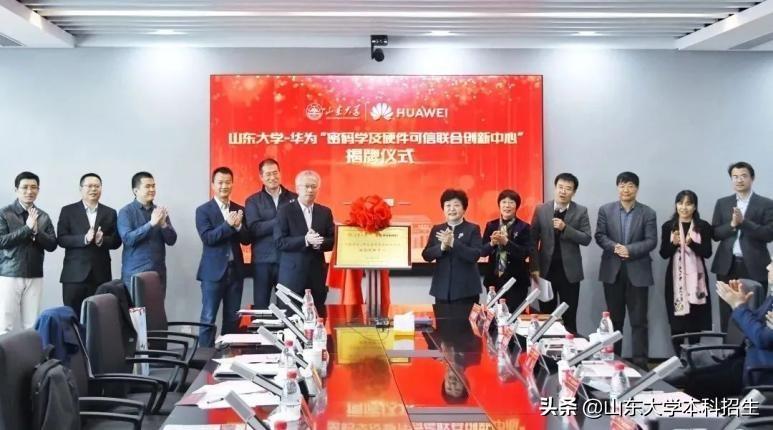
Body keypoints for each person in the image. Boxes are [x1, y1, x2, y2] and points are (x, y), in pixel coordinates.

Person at [595, 171, 657, 369]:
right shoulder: (606, 210)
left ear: (636, 189)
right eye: (622, 185)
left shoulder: (648, 213)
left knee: (639, 321)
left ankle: (641, 364)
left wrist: (629, 250)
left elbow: (651, 241)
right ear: (617, 188)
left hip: (638, 272)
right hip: (612, 271)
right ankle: (614, 361)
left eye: (630, 185)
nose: (626, 189)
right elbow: (600, 236)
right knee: (614, 321)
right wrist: (616, 247)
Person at [712, 161, 773, 331]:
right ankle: (727, 346)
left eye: (743, 176)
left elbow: (769, 234)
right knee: (727, 312)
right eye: (735, 177)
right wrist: (732, 224)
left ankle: (751, 347)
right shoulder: (722, 203)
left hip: (755, 265)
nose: (739, 180)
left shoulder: (766, 203)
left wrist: (744, 223)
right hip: (727, 265)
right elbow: (715, 234)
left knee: (754, 312)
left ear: (752, 178)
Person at [195, 167, 251, 347]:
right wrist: (228, 225)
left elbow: (247, 239)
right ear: (213, 185)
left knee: (232, 317)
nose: (224, 186)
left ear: (232, 184)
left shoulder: (239, 209)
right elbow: (208, 238)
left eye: (228, 182)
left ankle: (228, 354)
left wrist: (238, 227)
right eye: (220, 182)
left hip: (236, 271)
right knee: (208, 317)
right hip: (212, 273)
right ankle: (204, 357)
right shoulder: (203, 210)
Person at [529, 173, 592, 333]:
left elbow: (586, 238)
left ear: (574, 192)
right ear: (555, 188)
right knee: (545, 317)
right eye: (560, 187)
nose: (563, 191)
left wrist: (566, 228)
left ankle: (570, 347)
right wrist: (534, 268)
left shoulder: (581, 211)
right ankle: (545, 348)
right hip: (545, 272)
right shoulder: (541, 209)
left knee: (569, 318)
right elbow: (532, 240)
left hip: (569, 273)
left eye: (568, 188)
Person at [56, 173, 121, 319]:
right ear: (81, 188)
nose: (93, 189)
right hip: (74, 275)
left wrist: (101, 240)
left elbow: (116, 241)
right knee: (72, 317)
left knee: (99, 317)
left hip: (100, 274)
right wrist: (84, 239)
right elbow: (61, 239)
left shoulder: (110, 212)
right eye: (89, 186)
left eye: (97, 186)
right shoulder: (68, 211)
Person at [0, 172, 57, 334]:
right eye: (25, 187)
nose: (29, 191)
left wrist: (37, 232)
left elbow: (52, 244)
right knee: (5, 325)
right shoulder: (4, 213)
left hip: (35, 275)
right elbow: (1, 241)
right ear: (16, 190)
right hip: (10, 274)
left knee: (31, 326)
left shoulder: (43, 216)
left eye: (33, 187)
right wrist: (27, 229)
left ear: (38, 190)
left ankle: (30, 352)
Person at [658, 190, 712, 354]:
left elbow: (707, 253)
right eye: (680, 203)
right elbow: (664, 254)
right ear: (676, 205)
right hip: (675, 281)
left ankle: (693, 359)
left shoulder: (703, 226)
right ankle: (680, 360)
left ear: (695, 207)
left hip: (697, 282)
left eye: (688, 204)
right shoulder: (669, 226)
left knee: (695, 323)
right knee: (677, 324)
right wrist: (673, 244)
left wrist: (692, 244)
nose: (684, 207)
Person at [274, 170, 334, 316]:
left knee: (317, 318)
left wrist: (319, 243)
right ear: (297, 188)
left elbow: (332, 240)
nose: (310, 190)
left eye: (313, 186)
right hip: (292, 278)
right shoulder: (285, 211)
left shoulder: (325, 212)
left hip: (317, 276)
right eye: (306, 186)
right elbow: (280, 242)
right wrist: (305, 240)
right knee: (290, 320)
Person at [245, 158, 297, 309]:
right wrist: (281, 220)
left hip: (288, 261)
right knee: (261, 307)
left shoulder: (294, 199)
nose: (272, 177)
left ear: (280, 173)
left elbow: (298, 227)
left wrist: (273, 223)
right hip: (262, 262)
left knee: (287, 307)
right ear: (261, 177)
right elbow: (254, 229)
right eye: (268, 174)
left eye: (275, 173)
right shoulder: (253, 201)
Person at [117, 171, 177, 296]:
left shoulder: (159, 211)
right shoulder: (125, 212)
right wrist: (151, 224)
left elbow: (172, 240)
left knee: (157, 308)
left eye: (153, 186)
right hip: (134, 274)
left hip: (158, 273)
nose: (152, 189)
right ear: (136, 190)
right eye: (147, 186)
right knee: (135, 308)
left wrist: (163, 224)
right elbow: (128, 239)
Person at [716, 260, 773, 387]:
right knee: (689, 378)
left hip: (761, 372)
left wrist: (739, 307)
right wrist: (739, 305)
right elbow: (750, 328)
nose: (768, 267)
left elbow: (762, 339)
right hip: (747, 361)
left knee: (694, 383)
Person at [422, 189, 482, 305]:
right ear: (443, 209)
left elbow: (475, 255)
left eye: (456, 205)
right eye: (448, 205)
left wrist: (453, 242)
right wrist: (441, 247)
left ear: (464, 208)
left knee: (465, 318)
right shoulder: (437, 229)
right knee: (442, 318)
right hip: (442, 291)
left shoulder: (473, 229)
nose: (452, 209)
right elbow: (426, 255)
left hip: (466, 291)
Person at [480, 189, 531, 308]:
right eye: (504, 202)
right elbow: (482, 252)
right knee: (494, 315)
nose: (507, 206)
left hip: (516, 282)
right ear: (499, 205)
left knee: (514, 315)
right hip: (493, 281)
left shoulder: (524, 227)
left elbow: (525, 253)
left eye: (511, 202)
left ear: (517, 206)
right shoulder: (491, 225)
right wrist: (492, 243)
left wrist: (506, 242)